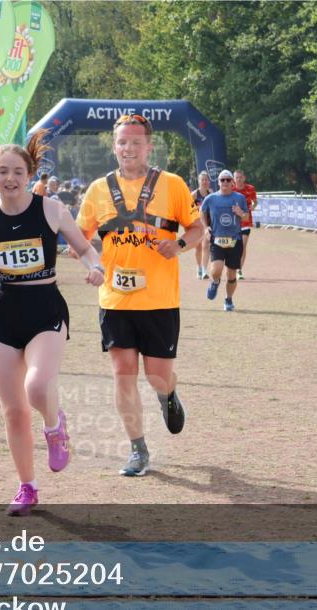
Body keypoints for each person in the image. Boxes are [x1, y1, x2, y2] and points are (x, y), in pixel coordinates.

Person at [0, 132, 105, 516]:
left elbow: (86, 249)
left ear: (29, 175)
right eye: (3, 171)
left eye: (18, 172)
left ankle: (55, 425)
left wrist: (96, 268)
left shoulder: (51, 209)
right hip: (4, 313)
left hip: (45, 308)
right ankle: (27, 487)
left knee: (38, 385)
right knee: (13, 410)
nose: (10, 178)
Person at [76, 113, 203, 477]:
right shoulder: (98, 190)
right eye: (122, 142)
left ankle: (168, 397)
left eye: (136, 142)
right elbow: (80, 237)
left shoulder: (173, 184)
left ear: (149, 146)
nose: (128, 148)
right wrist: (86, 260)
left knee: (158, 376)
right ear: (114, 147)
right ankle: (138, 449)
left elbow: (197, 229)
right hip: (115, 298)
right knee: (123, 372)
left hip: (160, 300)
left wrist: (177, 244)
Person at [202, 170, 248, 311]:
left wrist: (240, 213)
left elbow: (246, 217)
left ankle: (228, 299)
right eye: (223, 180)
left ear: (232, 182)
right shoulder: (211, 198)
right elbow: (201, 211)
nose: (225, 182)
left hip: (235, 240)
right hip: (217, 239)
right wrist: (205, 228)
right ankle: (215, 282)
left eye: (228, 180)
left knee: (231, 274)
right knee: (216, 270)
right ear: (219, 182)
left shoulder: (239, 198)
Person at [234, 169, 258, 277]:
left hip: (246, 221)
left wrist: (252, 207)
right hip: (233, 223)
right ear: (234, 179)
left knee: (242, 246)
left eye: (240, 177)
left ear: (244, 178)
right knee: (233, 247)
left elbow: (255, 201)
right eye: (236, 177)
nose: (238, 179)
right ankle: (231, 267)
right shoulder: (231, 189)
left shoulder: (250, 188)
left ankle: (239, 270)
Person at [190, 171, 213, 279]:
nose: (204, 182)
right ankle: (199, 267)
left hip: (208, 224)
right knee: (198, 248)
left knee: (206, 245)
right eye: (202, 180)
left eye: (206, 180)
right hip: (196, 224)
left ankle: (204, 270)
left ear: (208, 181)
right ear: (199, 181)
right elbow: (187, 210)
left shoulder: (211, 193)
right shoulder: (194, 195)